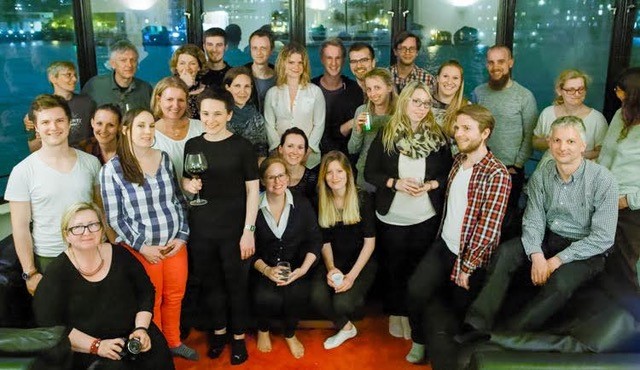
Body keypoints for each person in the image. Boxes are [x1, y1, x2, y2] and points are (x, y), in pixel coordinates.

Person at [457, 116, 618, 341]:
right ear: (550, 143)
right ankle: (476, 323)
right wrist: (537, 255)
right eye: (557, 140)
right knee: (506, 253)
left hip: (585, 249)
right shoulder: (543, 173)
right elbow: (533, 219)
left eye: (571, 142)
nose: (563, 147)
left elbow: (603, 238)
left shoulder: (604, 180)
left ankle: (510, 333)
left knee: (560, 283)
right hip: (548, 238)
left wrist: (556, 261)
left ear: (583, 146)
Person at [406, 104, 511, 364]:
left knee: (458, 313)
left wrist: (468, 266)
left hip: (469, 257)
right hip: (444, 245)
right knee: (415, 290)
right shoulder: (457, 161)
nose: (459, 133)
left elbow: (489, 227)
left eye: (467, 128)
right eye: (457, 127)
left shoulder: (497, 174)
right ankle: (419, 340)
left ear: (485, 133)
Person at [100, 108, 196, 360]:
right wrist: (142, 247)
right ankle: (158, 349)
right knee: (149, 303)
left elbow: (177, 199)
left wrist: (182, 236)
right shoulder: (112, 169)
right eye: (141, 126)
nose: (147, 132)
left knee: (175, 296)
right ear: (126, 130)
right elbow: (115, 217)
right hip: (142, 250)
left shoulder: (164, 158)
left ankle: (174, 342)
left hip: (174, 244)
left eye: (151, 126)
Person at [33, 202, 174, 370]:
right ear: (67, 235)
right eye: (77, 227)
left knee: (158, 356)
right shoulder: (57, 272)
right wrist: (96, 346)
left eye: (93, 225)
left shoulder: (120, 254)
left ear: (101, 229)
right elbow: (50, 324)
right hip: (86, 348)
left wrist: (141, 329)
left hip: (133, 335)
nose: (87, 232)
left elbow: (146, 291)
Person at [364, 81, 452, 340]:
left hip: (425, 216)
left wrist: (432, 185)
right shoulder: (387, 133)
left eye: (426, 103)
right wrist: (395, 183)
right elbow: (370, 172)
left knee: (416, 269)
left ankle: (413, 315)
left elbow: (449, 172)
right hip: (392, 215)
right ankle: (396, 313)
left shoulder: (438, 137)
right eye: (416, 101)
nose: (421, 107)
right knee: (393, 268)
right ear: (404, 102)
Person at [181, 88, 259, 364]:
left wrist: (248, 232)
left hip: (235, 230)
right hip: (202, 228)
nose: (210, 119)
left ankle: (238, 338)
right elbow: (186, 183)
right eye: (205, 114)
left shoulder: (242, 147)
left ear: (228, 114)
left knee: (236, 285)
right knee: (211, 285)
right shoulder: (193, 145)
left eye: (216, 114)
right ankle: (218, 332)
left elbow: (253, 191)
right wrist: (187, 185)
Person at [5, 94, 101, 295]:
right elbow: (20, 228)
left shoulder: (91, 163)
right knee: (58, 324)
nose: (53, 127)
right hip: (50, 258)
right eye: (45, 122)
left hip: (92, 252)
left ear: (69, 123)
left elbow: (100, 211)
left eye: (59, 120)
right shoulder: (23, 171)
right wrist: (30, 273)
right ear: (36, 127)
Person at [252, 156, 321, 359]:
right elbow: (247, 248)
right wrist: (266, 270)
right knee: (264, 296)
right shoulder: (253, 207)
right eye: (271, 177)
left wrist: (303, 269)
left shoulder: (302, 204)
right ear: (263, 181)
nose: (277, 181)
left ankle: (290, 334)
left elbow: (315, 239)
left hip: (297, 268)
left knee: (297, 295)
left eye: (281, 175)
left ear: (288, 177)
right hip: (263, 268)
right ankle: (262, 330)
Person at [310, 151, 377, 350]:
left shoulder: (362, 198)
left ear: (348, 172)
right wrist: (331, 268)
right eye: (329, 172)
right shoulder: (321, 199)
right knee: (317, 297)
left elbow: (370, 243)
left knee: (342, 304)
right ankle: (347, 328)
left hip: (361, 262)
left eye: (339, 171)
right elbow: (325, 241)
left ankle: (347, 316)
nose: (334, 177)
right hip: (333, 260)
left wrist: (351, 277)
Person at [471, 44, 538, 239]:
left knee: (504, 224)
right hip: (481, 168)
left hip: (510, 170)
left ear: (510, 63)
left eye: (501, 61)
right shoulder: (478, 92)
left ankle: (498, 266)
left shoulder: (524, 96)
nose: (496, 67)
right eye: (491, 62)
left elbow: (529, 136)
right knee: (478, 219)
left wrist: (516, 165)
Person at [598, 67, 640, 292]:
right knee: (605, 259)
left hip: (630, 208)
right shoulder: (619, 115)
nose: (616, 92)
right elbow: (606, 153)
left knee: (626, 264)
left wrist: (627, 200)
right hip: (606, 197)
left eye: (620, 89)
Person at [264, 42, 326, 169]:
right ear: (283, 64)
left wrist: (307, 151)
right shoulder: (272, 93)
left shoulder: (315, 92)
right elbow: (269, 124)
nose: (296, 66)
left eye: (300, 62)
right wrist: (278, 150)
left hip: (309, 159)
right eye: (291, 62)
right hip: (279, 157)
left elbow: (319, 124)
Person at [533, 69, 607, 167]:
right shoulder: (547, 113)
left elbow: (603, 152)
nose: (576, 94)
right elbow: (535, 143)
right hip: (548, 169)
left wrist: (574, 156)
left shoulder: (597, 119)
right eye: (571, 90)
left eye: (580, 89)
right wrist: (549, 141)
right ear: (559, 91)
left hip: (582, 173)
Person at [25, 61, 96, 152]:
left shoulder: (88, 103)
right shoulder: (41, 107)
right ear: (53, 78)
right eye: (68, 75)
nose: (74, 79)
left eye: (75, 75)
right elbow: (33, 148)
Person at [348, 68, 398, 192]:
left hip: (392, 179)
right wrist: (358, 130)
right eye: (369, 89)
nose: (373, 94)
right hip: (365, 178)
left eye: (377, 87)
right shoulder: (362, 111)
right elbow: (352, 149)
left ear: (389, 87)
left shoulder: (400, 113)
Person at [312, 38, 364, 155]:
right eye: (329, 58)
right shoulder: (310, 88)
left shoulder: (355, 89)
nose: (334, 63)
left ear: (343, 60)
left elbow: (364, 128)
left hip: (347, 156)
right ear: (322, 59)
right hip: (313, 156)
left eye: (338, 58)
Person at [151, 76, 204, 184]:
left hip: (201, 197)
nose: (175, 106)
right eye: (169, 99)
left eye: (180, 100)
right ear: (158, 99)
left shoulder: (201, 128)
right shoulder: (149, 134)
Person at [82, 40, 153, 113]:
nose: (129, 65)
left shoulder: (146, 89)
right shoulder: (95, 86)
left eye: (133, 60)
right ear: (112, 64)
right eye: (123, 60)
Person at [224, 66, 269, 161]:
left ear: (251, 88)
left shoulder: (257, 117)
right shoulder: (219, 114)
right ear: (227, 88)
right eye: (237, 86)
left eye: (247, 86)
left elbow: (262, 152)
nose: (242, 91)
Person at [278, 128, 318, 203]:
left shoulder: (314, 179)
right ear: (280, 149)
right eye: (290, 146)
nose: (295, 152)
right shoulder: (271, 176)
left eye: (300, 147)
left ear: (305, 152)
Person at [431, 60, 469, 140]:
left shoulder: (467, 108)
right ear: (437, 78)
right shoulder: (425, 104)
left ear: (460, 82)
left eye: (455, 78)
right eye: (445, 76)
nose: (449, 82)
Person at [169, 44, 208, 120]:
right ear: (176, 67)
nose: (187, 68)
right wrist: (184, 86)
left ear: (199, 67)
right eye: (182, 63)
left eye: (192, 63)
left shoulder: (207, 91)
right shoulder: (167, 88)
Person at [245, 28, 276, 112]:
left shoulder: (280, 77)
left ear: (271, 50)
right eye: (255, 48)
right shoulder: (240, 76)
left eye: (263, 48)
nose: (258, 53)